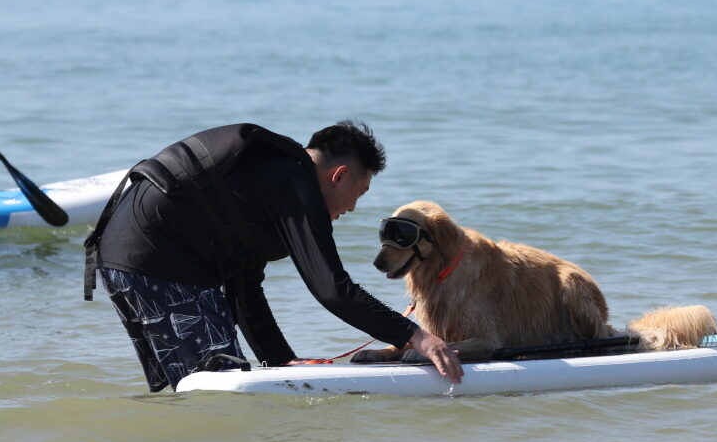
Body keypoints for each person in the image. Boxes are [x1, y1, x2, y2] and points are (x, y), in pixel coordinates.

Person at [83, 121, 463, 391]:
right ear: (339, 175)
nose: (351, 207)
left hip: (126, 257)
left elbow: (243, 284)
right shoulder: (294, 187)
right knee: (217, 390)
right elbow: (332, 289)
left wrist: (279, 360)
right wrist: (417, 337)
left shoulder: (266, 178)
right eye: (359, 193)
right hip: (157, 262)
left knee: (197, 385)